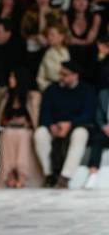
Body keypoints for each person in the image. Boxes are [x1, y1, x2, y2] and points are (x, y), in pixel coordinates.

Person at [34, 60, 96, 188]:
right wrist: (51, 125)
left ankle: (65, 177)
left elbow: (88, 115)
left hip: (75, 126)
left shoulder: (87, 90)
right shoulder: (52, 89)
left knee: (81, 134)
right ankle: (49, 175)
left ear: (75, 75)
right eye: (61, 74)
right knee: (40, 133)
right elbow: (44, 114)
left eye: (65, 74)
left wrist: (70, 124)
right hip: (55, 127)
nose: (61, 77)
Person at [83, 87, 109, 189]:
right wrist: (104, 127)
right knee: (97, 140)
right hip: (106, 130)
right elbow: (98, 115)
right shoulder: (103, 94)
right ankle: (93, 173)